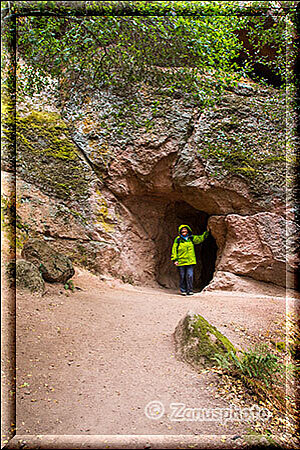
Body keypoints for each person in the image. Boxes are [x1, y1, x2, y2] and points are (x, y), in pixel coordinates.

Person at [171, 224, 209, 296]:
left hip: (190, 261)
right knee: (182, 276)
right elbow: (174, 250)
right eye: (182, 232)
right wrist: (175, 259)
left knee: (190, 276)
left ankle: (190, 290)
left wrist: (207, 232)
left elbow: (200, 238)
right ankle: (183, 290)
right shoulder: (178, 240)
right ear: (180, 232)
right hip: (181, 261)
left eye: (185, 231)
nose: (184, 233)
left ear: (188, 231)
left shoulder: (191, 238)